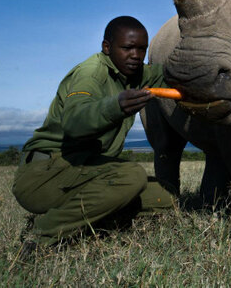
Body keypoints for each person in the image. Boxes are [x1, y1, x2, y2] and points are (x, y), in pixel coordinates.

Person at [12, 16, 175, 255]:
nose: (136, 55)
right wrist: (114, 107)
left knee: (166, 196)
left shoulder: (136, 73)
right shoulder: (90, 74)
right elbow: (74, 121)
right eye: (127, 48)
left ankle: (90, 222)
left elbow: (167, 75)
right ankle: (41, 235)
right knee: (131, 176)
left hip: (86, 170)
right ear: (107, 47)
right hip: (45, 175)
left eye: (142, 49)